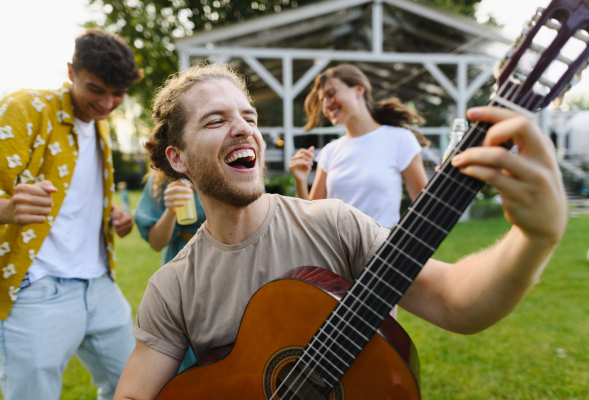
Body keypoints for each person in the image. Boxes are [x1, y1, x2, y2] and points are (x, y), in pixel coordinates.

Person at [113, 64, 567, 400]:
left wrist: (534, 237)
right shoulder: (173, 286)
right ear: (178, 158)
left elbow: (453, 299)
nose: (243, 130)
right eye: (216, 121)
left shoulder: (332, 223)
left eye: (249, 118)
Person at [0, 29, 141, 400]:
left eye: (117, 94)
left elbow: (74, 200)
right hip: (36, 290)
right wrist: (8, 208)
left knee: (139, 389)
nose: (107, 104)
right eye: (96, 89)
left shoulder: (99, 127)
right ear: (71, 71)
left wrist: (112, 215)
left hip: (100, 286)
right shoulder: (22, 108)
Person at [290, 64, 429, 229]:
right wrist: (300, 180)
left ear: (359, 89)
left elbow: (425, 210)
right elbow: (311, 220)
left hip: (382, 250)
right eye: (322, 100)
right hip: (334, 252)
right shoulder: (330, 151)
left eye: (331, 94)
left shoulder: (400, 139)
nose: (326, 105)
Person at [134, 169, 207, 370]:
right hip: (184, 262)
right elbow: (156, 243)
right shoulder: (161, 179)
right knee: (184, 344)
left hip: (227, 257)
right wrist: (170, 210)